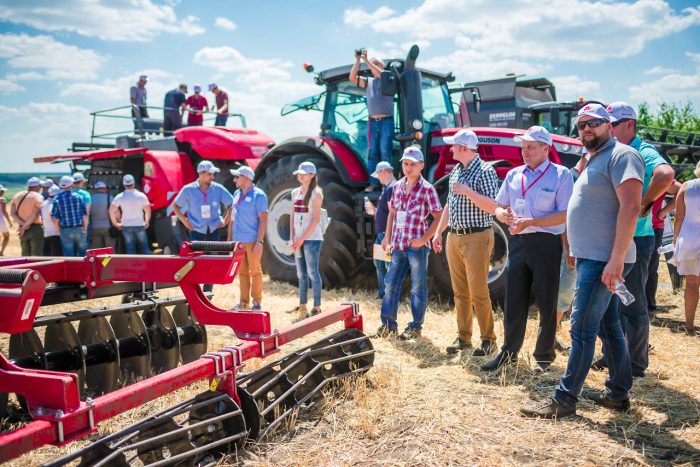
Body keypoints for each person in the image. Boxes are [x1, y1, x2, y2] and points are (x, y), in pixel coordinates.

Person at [521, 103, 643, 419]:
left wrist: (616, 260)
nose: (587, 129)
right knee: (607, 324)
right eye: (582, 125)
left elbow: (631, 208)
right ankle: (618, 393)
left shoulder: (622, 155)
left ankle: (564, 399)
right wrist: (575, 245)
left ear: (610, 125)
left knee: (581, 328)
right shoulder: (592, 159)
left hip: (605, 259)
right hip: (593, 255)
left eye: (595, 123)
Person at [481, 126, 574, 373]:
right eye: (523, 146)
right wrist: (505, 215)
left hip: (546, 244)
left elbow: (565, 214)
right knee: (514, 301)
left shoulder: (561, 175)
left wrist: (531, 221)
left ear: (546, 148)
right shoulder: (513, 175)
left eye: (531, 146)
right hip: (518, 243)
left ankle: (544, 357)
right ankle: (509, 353)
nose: (525, 151)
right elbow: (498, 208)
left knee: (547, 301)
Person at [592, 102, 674, 378]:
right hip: (615, 238)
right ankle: (612, 355)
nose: (610, 128)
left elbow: (666, 175)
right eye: (608, 124)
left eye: (614, 124)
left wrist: (646, 202)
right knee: (611, 302)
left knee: (634, 302)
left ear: (630, 125)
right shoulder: (613, 150)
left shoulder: (642, 150)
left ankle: (636, 365)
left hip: (637, 238)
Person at [431, 129, 499, 356]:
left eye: (454, 146)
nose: (450, 149)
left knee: (479, 291)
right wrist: (439, 232)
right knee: (460, 292)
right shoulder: (456, 172)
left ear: (463, 148)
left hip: (477, 236)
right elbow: (449, 205)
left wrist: (468, 191)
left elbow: (493, 206)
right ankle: (464, 338)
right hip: (455, 236)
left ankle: (489, 339)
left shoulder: (485, 171)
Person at [377, 146, 442, 340]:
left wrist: (423, 239)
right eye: (405, 164)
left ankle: (415, 327)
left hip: (417, 247)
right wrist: (388, 238)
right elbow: (392, 213)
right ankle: (388, 325)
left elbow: (438, 217)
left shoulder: (427, 189)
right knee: (390, 284)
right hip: (398, 245)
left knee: (417, 287)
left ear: (421, 165)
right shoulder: (396, 186)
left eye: (413, 164)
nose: (408, 167)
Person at [172, 160, 233, 292]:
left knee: (212, 260)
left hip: (214, 229)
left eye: (213, 174)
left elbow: (232, 203)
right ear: (201, 174)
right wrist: (183, 221)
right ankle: (195, 290)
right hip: (196, 230)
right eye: (210, 174)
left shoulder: (218, 188)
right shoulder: (188, 190)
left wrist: (226, 220)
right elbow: (175, 205)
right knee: (195, 261)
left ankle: (207, 291)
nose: (213, 177)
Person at [348, 49, 395, 190]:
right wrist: (358, 60)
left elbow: (379, 74)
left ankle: (387, 184)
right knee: (372, 152)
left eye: (377, 63)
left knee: (385, 151)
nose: (372, 66)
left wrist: (367, 60)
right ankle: (373, 183)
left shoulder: (388, 79)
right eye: (372, 64)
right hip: (372, 122)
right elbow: (352, 77)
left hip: (386, 121)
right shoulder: (369, 82)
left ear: (383, 66)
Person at [227, 166, 268, 311]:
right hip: (238, 243)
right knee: (242, 273)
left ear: (246, 178)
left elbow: (263, 220)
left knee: (255, 272)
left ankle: (256, 303)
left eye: (237, 177)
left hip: (252, 241)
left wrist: (259, 242)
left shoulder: (259, 195)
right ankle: (243, 303)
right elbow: (232, 219)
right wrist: (229, 240)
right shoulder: (236, 193)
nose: (234, 179)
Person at [290, 161, 325, 316]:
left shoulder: (316, 193)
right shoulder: (295, 192)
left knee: (312, 273)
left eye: (304, 173)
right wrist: (292, 236)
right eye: (299, 173)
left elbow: (316, 219)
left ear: (312, 175)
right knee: (301, 274)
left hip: (312, 238)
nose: (301, 176)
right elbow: (292, 215)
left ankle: (317, 307)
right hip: (298, 238)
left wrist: (301, 239)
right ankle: (302, 305)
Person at [672, 161, 700, 334]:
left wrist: (676, 238)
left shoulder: (686, 186)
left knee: (691, 282)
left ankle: (689, 324)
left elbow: (679, 216)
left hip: (689, 237)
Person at [647, 180, 682, 313]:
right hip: (633, 225)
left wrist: (664, 211)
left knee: (650, 267)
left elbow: (681, 190)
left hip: (654, 226)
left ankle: (648, 305)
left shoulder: (659, 173)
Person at [363, 161, 396, 300]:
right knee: (380, 263)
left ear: (383, 172)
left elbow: (393, 213)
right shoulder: (388, 188)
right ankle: (384, 293)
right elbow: (387, 213)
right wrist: (375, 211)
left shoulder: (391, 188)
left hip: (385, 235)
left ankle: (389, 294)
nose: (378, 178)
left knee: (388, 264)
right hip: (382, 234)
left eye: (378, 175)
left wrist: (387, 237)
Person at [110, 175, 151, 254]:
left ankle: (132, 266)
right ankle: (147, 265)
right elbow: (148, 211)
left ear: (124, 185)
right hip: (139, 224)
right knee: (144, 247)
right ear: (134, 184)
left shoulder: (119, 197)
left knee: (130, 249)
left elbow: (111, 211)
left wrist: (115, 223)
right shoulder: (141, 196)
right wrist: (147, 221)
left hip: (126, 225)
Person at [52, 175, 88, 257]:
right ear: (72, 185)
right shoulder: (79, 197)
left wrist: (59, 230)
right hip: (79, 228)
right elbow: (85, 215)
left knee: (69, 256)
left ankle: (72, 270)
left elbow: (56, 218)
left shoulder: (57, 199)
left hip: (65, 229)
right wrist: (84, 229)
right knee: (83, 255)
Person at [11, 176, 45, 256]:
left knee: (25, 254)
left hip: (22, 228)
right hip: (35, 228)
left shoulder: (17, 196)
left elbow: (12, 213)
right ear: (37, 187)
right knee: (37, 254)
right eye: (40, 186)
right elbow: (35, 214)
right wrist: (26, 225)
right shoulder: (38, 197)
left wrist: (23, 225)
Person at [90, 181, 115, 250]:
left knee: (96, 250)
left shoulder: (91, 198)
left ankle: (98, 261)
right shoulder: (110, 197)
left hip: (95, 227)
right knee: (109, 249)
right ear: (105, 188)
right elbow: (114, 212)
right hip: (108, 227)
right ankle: (108, 261)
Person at [41, 185, 62, 255]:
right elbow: (52, 216)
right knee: (57, 256)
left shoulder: (44, 203)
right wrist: (59, 229)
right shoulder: (54, 203)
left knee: (48, 256)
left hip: (46, 233)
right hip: (56, 233)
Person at [0, 184, 13, 256]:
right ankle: (1, 252)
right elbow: (4, 212)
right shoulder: (2, 199)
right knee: (6, 236)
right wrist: (9, 222)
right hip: (1, 221)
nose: (3, 192)